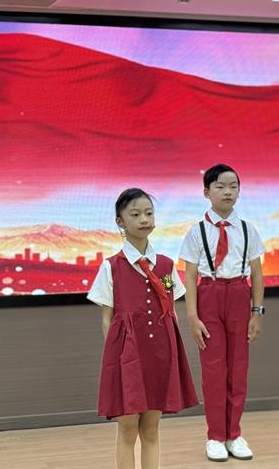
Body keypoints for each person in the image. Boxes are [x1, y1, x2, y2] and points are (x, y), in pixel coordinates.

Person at [88, 188, 198, 469]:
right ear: (120, 221)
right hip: (127, 359)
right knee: (127, 429)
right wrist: (117, 360)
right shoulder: (111, 267)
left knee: (151, 428)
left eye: (149, 213)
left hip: (160, 356)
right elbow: (107, 319)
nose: (144, 219)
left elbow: (170, 305)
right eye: (135, 214)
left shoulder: (166, 266)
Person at [179, 163, 266, 462]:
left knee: (238, 368)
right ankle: (215, 436)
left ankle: (234, 434)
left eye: (233, 186)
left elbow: (257, 274)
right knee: (214, 370)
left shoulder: (248, 229)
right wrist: (192, 317)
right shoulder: (197, 231)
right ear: (207, 192)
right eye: (220, 186)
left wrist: (257, 312)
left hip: (239, 293)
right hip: (209, 294)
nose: (228, 191)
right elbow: (190, 276)